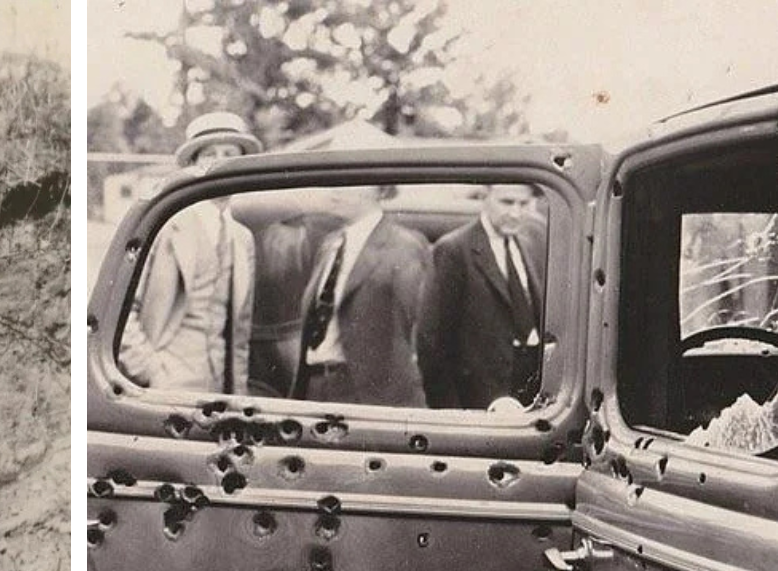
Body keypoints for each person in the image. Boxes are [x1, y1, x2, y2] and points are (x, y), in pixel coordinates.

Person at [118, 111, 259, 393]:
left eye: (230, 153)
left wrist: (239, 394)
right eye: (209, 154)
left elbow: (241, 335)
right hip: (167, 384)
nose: (220, 162)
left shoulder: (243, 239)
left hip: (219, 391)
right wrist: (152, 372)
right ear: (193, 166)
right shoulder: (166, 225)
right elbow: (122, 310)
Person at [288, 184, 430, 405]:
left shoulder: (404, 247)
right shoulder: (330, 244)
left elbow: (419, 328)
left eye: (351, 183)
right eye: (335, 180)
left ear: (381, 191)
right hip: (315, 387)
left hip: (366, 395)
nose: (335, 190)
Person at [418, 184, 547, 410]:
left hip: (528, 392)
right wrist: (451, 414)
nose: (516, 213)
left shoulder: (529, 243)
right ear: (484, 198)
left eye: (523, 204)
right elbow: (433, 341)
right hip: (479, 398)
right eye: (506, 202)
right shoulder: (454, 249)